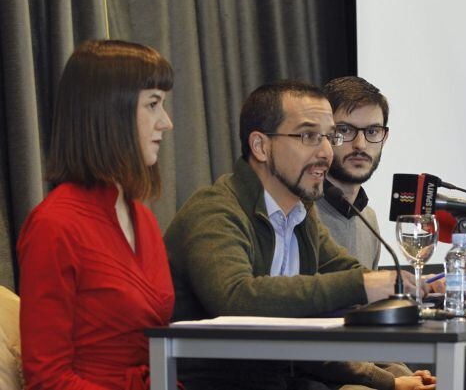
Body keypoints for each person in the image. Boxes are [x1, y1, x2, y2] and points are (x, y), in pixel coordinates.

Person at [164, 80, 435, 390]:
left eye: (328, 136)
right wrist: (363, 285)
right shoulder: (215, 209)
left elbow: (345, 274)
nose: (325, 152)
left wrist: (417, 291)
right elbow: (236, 299)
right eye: (308, 136)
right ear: (260, 146)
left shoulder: (300, 213)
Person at [17, 40, 175, 390]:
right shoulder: (54, 226)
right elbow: (48, 378)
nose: (166, 123)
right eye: (153, 105)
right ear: (108, 113)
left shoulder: (144, 220)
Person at [316, 77, 390, 269]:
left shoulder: (368, 219)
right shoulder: (297, 213)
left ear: (384, 138)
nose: (360, 145)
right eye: (345, 130)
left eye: (372, 131)